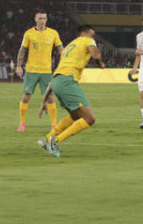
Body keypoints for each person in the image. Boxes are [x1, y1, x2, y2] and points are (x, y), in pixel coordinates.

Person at [37, 25, 104, 157]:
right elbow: (96, 55)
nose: (93, 38)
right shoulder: (86, 40)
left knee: (75, 117)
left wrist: (43, 101)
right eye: (92, 35)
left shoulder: (69, 47)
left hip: (57, 82)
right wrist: (100, 64)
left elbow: (56, 76)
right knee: (89, 119)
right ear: (84, 33)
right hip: (68, 81)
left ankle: (47, 139)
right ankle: (55, 142)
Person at [16, 10, 63, 132]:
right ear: (35, 19)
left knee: (50, 98)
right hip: (31, 71)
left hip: (46, 72)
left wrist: (65, 63)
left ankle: (54, 125)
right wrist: (19, 66)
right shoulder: (29, 34)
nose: (42, 20)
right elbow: (22, 51)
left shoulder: (53, 33)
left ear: (46, 20)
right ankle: (22, 124)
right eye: (40, 18)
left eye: (44, 18)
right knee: (26, 97)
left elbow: (61, 50)